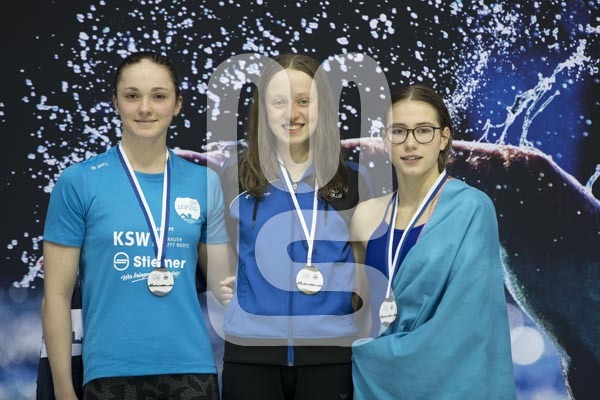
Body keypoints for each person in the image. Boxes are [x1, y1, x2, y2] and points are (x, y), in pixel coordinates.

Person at [40, 50, 230, 400]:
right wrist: (64, 389)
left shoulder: (204, 183)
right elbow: (56, 296)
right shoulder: (79, 181)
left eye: (158, 96)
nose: (145, 108)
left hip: (191, 370)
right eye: (132, 96)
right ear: (116, 103)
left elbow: (223, 285)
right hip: (110, 373)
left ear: (177, 104)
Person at [218, 53, 373, 400]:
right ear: (263, 109)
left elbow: (362, 270)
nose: (292, 113)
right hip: (250, 353)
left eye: (304, 101)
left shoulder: (353, 179)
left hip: (330, 354)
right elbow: (222, 250)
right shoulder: (235, 175)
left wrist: (349, 320)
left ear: (324, 107)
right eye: (279, 102)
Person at [350, 84, 516, 399]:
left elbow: (468, 323)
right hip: (369, 385)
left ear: (443, 138)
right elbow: (359, 314)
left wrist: (375, 356)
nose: (410, 143)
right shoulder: (365, 215)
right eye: (398, 131)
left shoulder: (472, 208)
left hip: (445, 383)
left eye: (424, 131)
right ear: (384, 141)